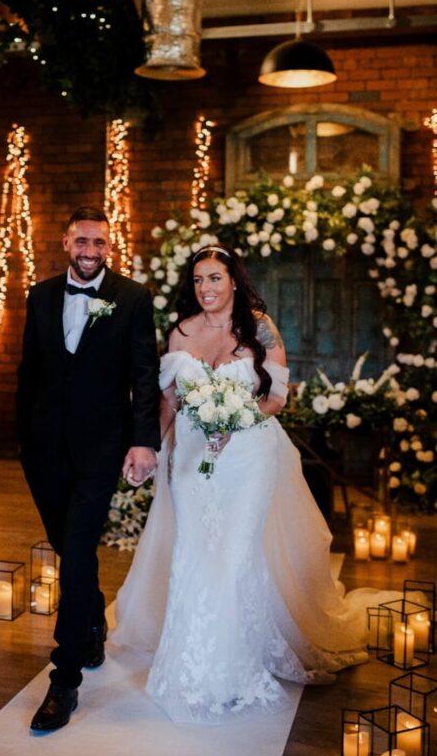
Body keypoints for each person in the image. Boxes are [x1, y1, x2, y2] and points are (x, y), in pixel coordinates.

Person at [113, 244, 375, 724]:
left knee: (234, 555)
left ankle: (233, 669)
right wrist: (149, 449)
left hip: (248, 457)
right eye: (198, 280)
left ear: (233, 280)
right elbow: (169, 400)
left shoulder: (260, 328)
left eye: (214, 278)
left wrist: (236, 418)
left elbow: (277, 398)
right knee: (194, 552)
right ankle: (192, 667)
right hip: (192, 459)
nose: (206, 288)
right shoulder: (180, 332)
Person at [17, 205, 160, 732]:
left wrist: (143, 441)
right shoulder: (40, 295)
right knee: (69, 549)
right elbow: (29, 371)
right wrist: (22, 439)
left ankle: (66, 676)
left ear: (109, 247)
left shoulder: (133, 298)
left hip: (101, 449)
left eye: (99, 243)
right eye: (82, 241)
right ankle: (93, 617)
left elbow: (144, 374)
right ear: (65, 242)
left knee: (76, 550)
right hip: (43, 450)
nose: (90, 251)